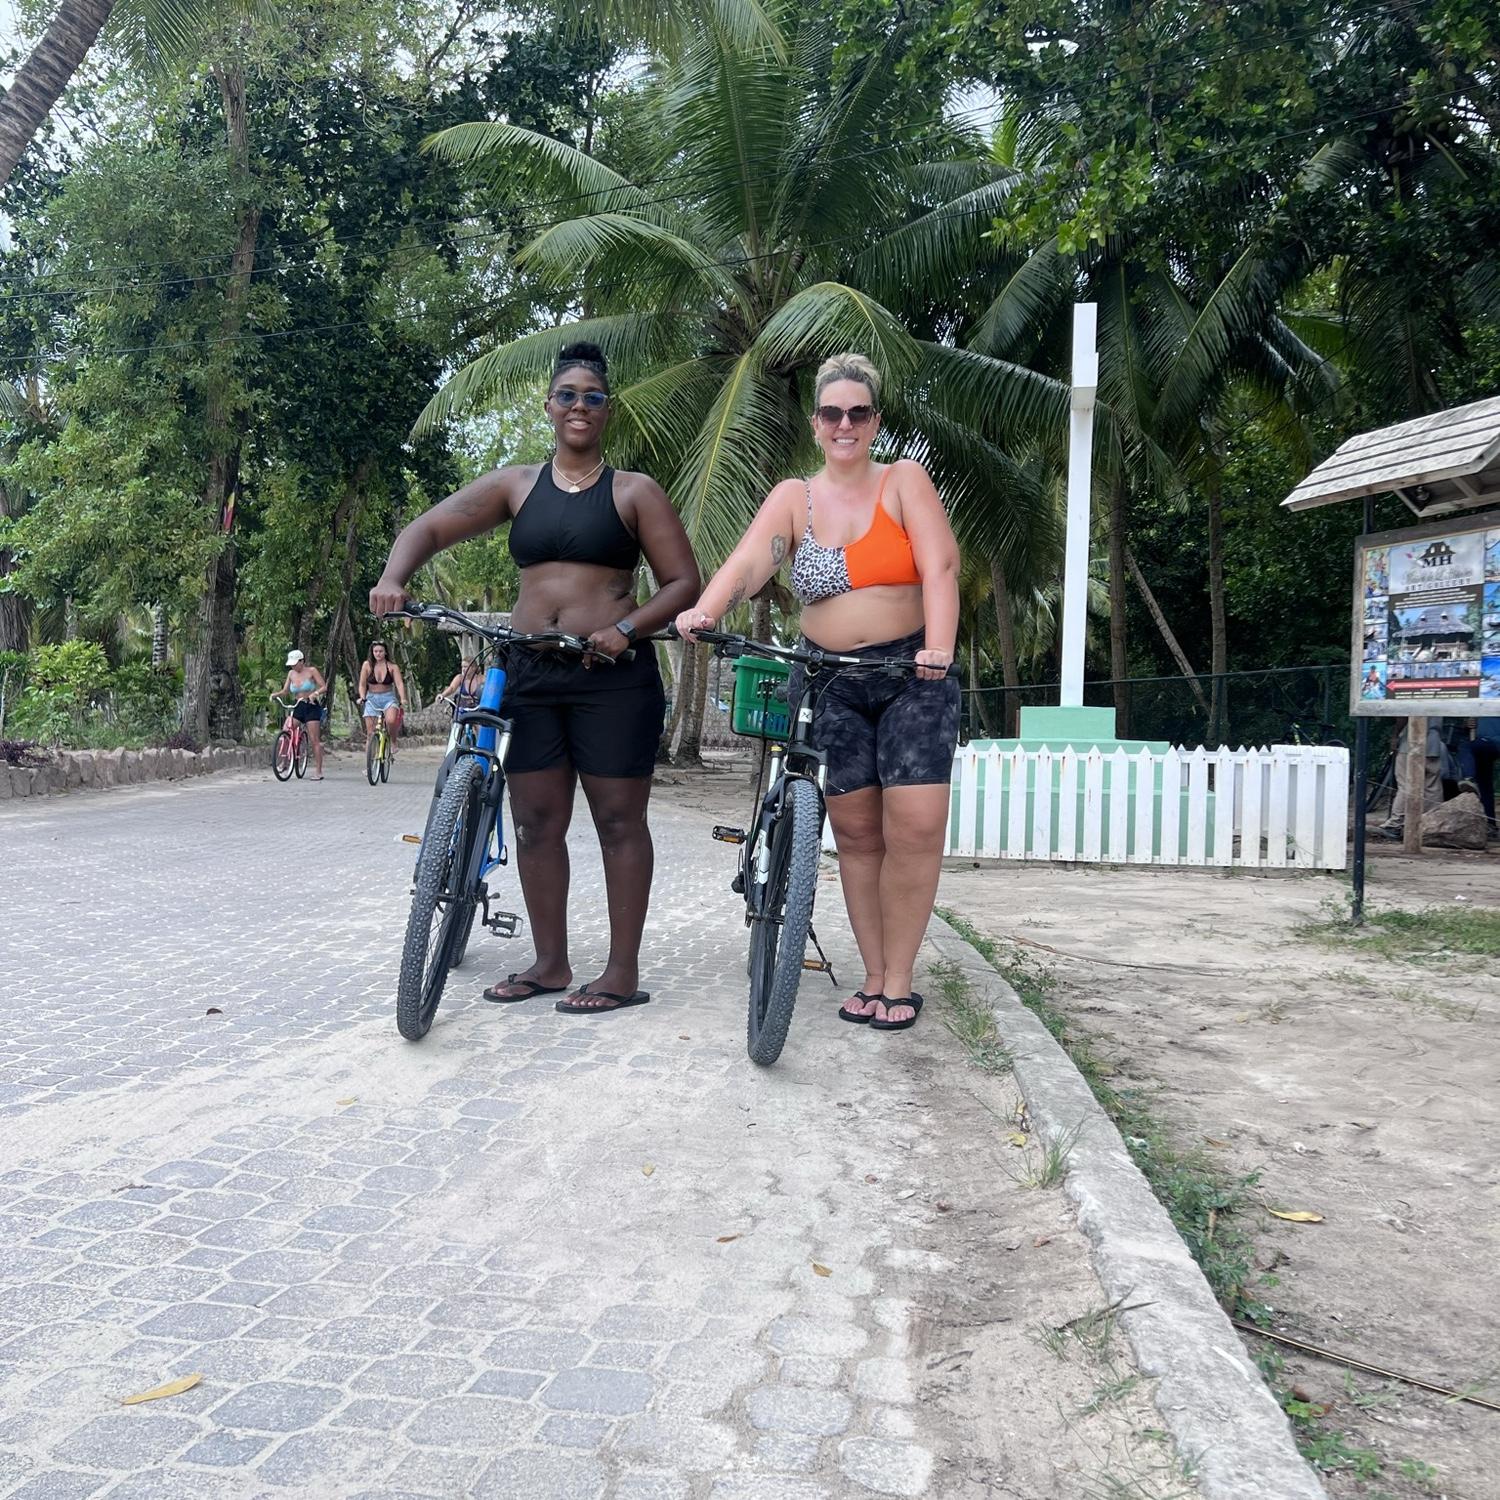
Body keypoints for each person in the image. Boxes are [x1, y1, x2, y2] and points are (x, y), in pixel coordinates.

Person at [370, 341, 700, 1014]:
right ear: (549, 406)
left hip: (611, 675)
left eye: (594, 397)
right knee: (535, 823)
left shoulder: (634, 491)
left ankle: (620, 973)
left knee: (617, 821)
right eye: (569, 395)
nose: (581, 406)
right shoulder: (516, 486)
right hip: (531, 672)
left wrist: (627, 630)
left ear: (609, 410)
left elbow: (683, 582)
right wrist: (392, 577)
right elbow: (428, 528)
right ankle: (550, 964)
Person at [676, 352, 960, 1032]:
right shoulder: (794, 499)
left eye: (857, 412)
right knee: (858, 835)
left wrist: (939, 648)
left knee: (914, 827)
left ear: (874, 421)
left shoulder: (902, 481)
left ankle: (901, 978)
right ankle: (871, 976)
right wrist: (706, 610)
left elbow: (941, 564)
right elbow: (750, 561)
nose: (844, 423)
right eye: (832, 412)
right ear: (816, 423)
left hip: (909, 674)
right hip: (830, 679)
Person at [281, 650, 327, 780]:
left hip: (311, 706)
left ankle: (318, 771)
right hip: (298, 706)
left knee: (314, 740)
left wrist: (315, 693)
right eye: (291, 664)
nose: (293, 667)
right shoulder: (291, 673)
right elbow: (285, 691)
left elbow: (324, 687)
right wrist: (276, 695)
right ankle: (284, 762)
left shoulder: (312, 671)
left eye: (295, 664)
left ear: (302, 661)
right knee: (286, 730)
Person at [357, 641, 408, 755]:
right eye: (375, 651)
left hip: (388, 698)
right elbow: (362, 684)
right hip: (371, 698)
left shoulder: (392, 667)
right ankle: (370, 765)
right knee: (370, 734)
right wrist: (362, 697)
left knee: (390, 721)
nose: (378, 654)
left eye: (380, 651)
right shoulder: (367, 665)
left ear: (385, 652)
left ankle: (393, 741)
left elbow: (399, 683)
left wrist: (403, 698)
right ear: (372, 652)